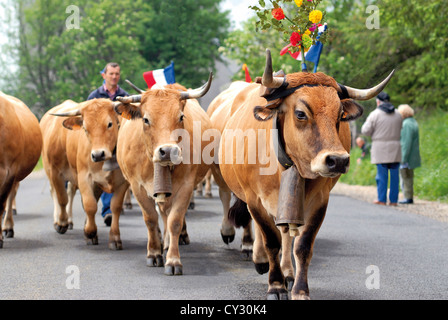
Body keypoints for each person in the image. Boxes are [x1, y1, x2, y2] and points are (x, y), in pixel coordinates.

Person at [87, 62, 129, 226]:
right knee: (101, 176)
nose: (114, 76)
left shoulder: (123, 96)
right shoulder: (94, 96)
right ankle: (103, 209)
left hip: (118, 143)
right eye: (111, 73)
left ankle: (110, 209)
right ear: (104, 75)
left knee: (115, 176)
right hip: (99, 144)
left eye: (117, 74)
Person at [361, 91, 402, 206]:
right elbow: (401, 127)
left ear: (378, 101)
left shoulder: (375, 114)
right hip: (395, 147)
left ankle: (382, 199)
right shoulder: (398, 114)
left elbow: (365, 130)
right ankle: (394, 200)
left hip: (380, 148)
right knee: (394, 176)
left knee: (381, 175)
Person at [397, 104, 421, 204]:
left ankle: (407, 197)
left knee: (405, 177)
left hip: (407, 156)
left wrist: (403, 158)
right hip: (413, 155)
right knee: (409, 177)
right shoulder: (413, 122)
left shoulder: (406, 124)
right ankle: (409, 196)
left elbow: (406, 143)